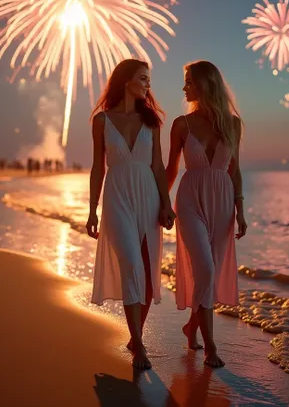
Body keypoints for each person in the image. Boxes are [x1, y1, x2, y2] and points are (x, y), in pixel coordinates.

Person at [86, 59, 176, 370]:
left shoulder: (152, 122)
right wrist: (91, 209)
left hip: (149, 197)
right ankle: (139, 346)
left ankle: (135, 335)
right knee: (132, 265)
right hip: (117, 197)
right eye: (143, 78)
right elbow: (98, 167)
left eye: (149, 80)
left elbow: (158, 167)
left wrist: (167, 204)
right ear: (126, 81)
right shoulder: (102, 121)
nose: (148, 85)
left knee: (148, 272)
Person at [165, 60, 247, 368]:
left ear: (205, 84)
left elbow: (235, 170)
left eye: (189, 81)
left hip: (223, 203)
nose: (184, 87)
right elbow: (170, 168)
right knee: (207, 269)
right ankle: (211, 347)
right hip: (189, 201)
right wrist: (161, 202)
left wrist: (240, 210)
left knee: (206, 273)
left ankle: (192, 327)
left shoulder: (233, 125)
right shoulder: (181, 124)